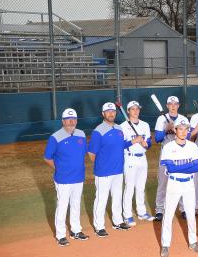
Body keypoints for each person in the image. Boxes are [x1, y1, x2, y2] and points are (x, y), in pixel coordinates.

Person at [88, 102, 143, 236]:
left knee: (117, 197)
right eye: (108, 111)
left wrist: (133, 141)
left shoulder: (119, 129)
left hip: (118, 170)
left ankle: (118, 222)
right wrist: (102, 165)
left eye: (113, 111)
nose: (111, 113)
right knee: (101, 199)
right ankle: (99, 226)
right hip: (104, 172)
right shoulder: (98, 131)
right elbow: (91, 153)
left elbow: (120, 145)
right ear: (103, 114)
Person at [159, 118, 198, 257]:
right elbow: (171, 169)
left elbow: (196, 167)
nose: (183, 132)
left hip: (188, 184)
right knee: (168, 215)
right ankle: (165, 245)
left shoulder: (192, 146)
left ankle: (192, 242)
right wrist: (186, 167)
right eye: (180, 128)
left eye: (186, 129)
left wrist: (178, 168)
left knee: (191, 214)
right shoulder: (168, 147)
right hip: (173, 184)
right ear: (175, 129)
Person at [43, 108, 89, 246]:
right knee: (62, 206)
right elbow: (47, 158)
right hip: (63, 179)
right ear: (63, 121)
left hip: (78, 177)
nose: (71, 121)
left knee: (76, 204)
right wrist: (59, 169)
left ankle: (76, 231)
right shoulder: (55, 137)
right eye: (68, 119)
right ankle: (60, 235)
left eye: (74, 119)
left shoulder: (81, 134)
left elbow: (83, 153)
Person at [153, 96, 188, 221]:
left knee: (182, 182)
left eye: (175, 104)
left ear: (178, 105)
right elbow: (157, 138)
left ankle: (183, 209)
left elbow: (186, 137)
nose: (173, 106)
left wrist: (177, 130)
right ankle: (160, 210)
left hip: (181, 155)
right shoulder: (161, 119)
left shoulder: (183, 119)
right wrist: (166, 129)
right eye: (170, 104)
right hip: (166, 156)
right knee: (163, 183)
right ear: (167, 106)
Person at [121, 101, 154, 226]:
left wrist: (147, 144)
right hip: (130, 158)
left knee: (141, 187)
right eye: (132, 109)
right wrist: (133, 141)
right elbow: (121, 145)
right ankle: (127, 215)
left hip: (142, 158)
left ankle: (141, 212)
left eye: (137, 109)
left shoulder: (145, 125)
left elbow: (149, 142)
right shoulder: (123, 126)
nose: (135, 111)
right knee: (129, 187)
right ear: (128, 111)